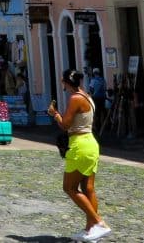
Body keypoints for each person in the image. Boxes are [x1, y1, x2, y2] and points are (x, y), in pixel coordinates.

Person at [48, 69, 111, 242]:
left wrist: (55, 114)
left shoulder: (75, 98)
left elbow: (65, 125)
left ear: (65, 82)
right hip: (90, 143)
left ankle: (99, 223)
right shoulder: (87, 97)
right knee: (88, 188)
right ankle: (91, 229)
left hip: (79, 145)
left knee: (69, 187)